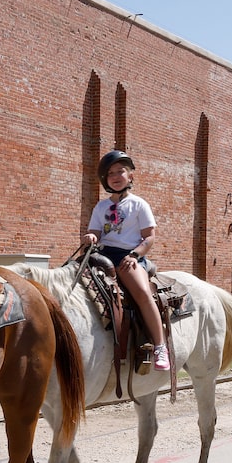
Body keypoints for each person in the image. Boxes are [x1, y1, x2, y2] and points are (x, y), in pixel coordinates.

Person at [83, 150, 170, 371]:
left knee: (141, 292)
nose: (115, 175)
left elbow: (149, 236)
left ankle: (160, 346)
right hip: (102, 254)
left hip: (128, 255)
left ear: (130, 176)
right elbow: (95, 232)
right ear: (105, 179)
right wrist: (91, 237)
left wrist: (135, 255)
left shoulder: (139, 204)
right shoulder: (101, 207)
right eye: (110, 172)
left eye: (120, 171)